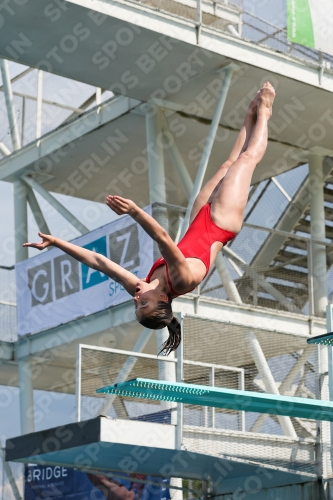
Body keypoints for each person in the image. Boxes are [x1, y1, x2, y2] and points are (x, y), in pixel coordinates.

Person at [23, 82, 275, 355]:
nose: (136, 299)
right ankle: (265, 111)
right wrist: (134, 211)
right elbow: (163, 237)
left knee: (228, 165)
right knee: (246, 160)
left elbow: (99, 262)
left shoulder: (141, 284)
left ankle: (250, 114)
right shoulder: (181, 281)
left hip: (199, 219)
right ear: (163, 299)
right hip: (221, 223)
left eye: (136, 305)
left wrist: (57, 242)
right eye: (143, 304)